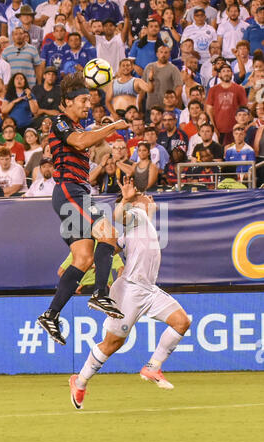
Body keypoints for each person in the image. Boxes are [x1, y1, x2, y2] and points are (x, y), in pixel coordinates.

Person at [69, 176, 191, 409]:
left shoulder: (142, 227)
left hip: (149, 290)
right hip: (130, 291)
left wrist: (105, 254)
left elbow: (116, 245)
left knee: (182, 322)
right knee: (113, 343)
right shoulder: (138, 216)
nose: (150, 197)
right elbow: (119, 217)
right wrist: (125, 200)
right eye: (145, 196)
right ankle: (80, 380)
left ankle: (153, 367)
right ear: (137, 205)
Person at [36, 71, 130, 346]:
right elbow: (79, 142)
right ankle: (101, 293)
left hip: (75, 192)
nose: (88, 105)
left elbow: (85, 142)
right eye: (84, 101)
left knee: (83, 259)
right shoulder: (60, 122)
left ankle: (51, 314)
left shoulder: (76, 127)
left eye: (89, 101)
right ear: (67, 101)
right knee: (109, 235)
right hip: (69, 192)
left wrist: (103, 133)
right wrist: (112, 127)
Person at [58, 240, 124, 294]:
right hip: (104, 288)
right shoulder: (108, 248)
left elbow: (61, 272)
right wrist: (115, 287)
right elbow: (121, 268)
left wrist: (74, 286)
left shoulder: (78, 251)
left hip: (84, 289)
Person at [206, 63, 248, 145]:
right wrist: (213, 127)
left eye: (228, 71)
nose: (226, 73)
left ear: (232, 73)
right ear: (219, 74)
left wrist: (240, 127)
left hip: (235, 129)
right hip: (218, 129)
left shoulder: (239, 89)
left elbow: (244, 109)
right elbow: (209, 109)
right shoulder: (213, 90)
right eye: (223, 71)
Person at [76, 11, 129, 76]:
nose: (108, 27)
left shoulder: (120, 38)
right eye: (106, 26)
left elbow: (126, 30)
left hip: (119, 76)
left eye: (111, 25)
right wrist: (81, 23)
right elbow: (86, 34)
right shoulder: (98, 39)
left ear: (115, 28)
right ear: (103, 28)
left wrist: (127, 18)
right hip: (103, 77)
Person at [142, 43, 183, 113]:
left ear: (169, 55)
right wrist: (140, 104)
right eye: (161, 52)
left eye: (166, 53)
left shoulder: (173, 69)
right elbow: (143, 86)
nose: (163, 55)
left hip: (166, 109)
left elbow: (179, 87)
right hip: (150, 107)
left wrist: (171, 101)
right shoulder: (149, 67)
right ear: (157, 54)